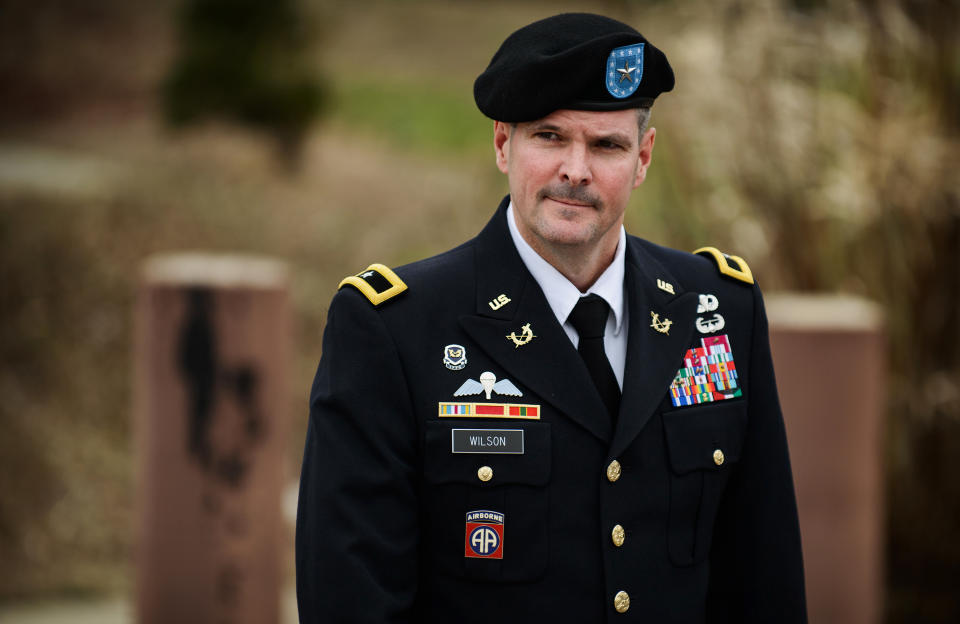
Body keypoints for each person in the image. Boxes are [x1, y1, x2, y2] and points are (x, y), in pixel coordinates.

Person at [296, 12, 806, 623]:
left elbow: (763, 578)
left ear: (642, 158)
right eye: (550, 136)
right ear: (502, 144)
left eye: (607, 144)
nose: (576, 170)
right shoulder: (393, 329)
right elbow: (352, 601)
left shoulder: (719, 309)